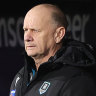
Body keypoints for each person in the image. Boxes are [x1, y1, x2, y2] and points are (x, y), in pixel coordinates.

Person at [9, 3, 96, 96]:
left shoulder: (77, 80)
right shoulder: (21, 76)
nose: (27, 37)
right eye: (25, 30)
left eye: (35, 30)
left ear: (58, 34)